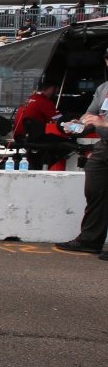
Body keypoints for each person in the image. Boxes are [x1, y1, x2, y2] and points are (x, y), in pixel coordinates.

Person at [56, 52, 108, 259]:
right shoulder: (103, 89)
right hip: (105, 145)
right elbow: (90, 118)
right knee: (95, 191)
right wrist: (77, 126)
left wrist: (102, 123)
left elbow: (99, 121)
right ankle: (89, 240)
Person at [11, 81, 74, 168]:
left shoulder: (28, 99)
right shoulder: (44, 101)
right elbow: (60, 120)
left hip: (19, 136)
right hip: (34, 138)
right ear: (52, 88)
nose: (56, 93)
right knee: (69, 144)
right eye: (57, 91)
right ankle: (40, 165)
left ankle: (35, 162)